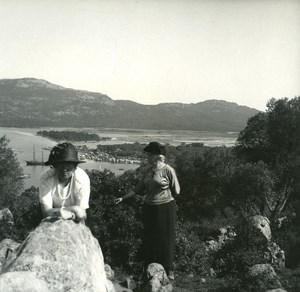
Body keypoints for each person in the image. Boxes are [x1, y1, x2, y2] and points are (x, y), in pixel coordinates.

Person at [115, 142, 180, 280]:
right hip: (149, 207)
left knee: (165, 237)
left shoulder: (168, 170)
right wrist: (122, 198)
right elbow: (137, 189)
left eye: (150, 154)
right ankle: (149, 268)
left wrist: (165, 196)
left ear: (158, 156)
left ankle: (169, 269)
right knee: (150, 238)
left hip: (165, 207)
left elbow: (177, 190)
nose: (148, 157)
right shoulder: (148, 171)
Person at [39, 142, 90, 222]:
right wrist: (74, 209)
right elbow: (45, 213)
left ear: (74, 166)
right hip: (52, 222)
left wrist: (60, 212)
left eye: (68, 164)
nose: (64, 169)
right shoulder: (46, 178)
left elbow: (81, 214)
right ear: (54, 165)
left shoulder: (82, 179)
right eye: (60, 164)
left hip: (73, 222)